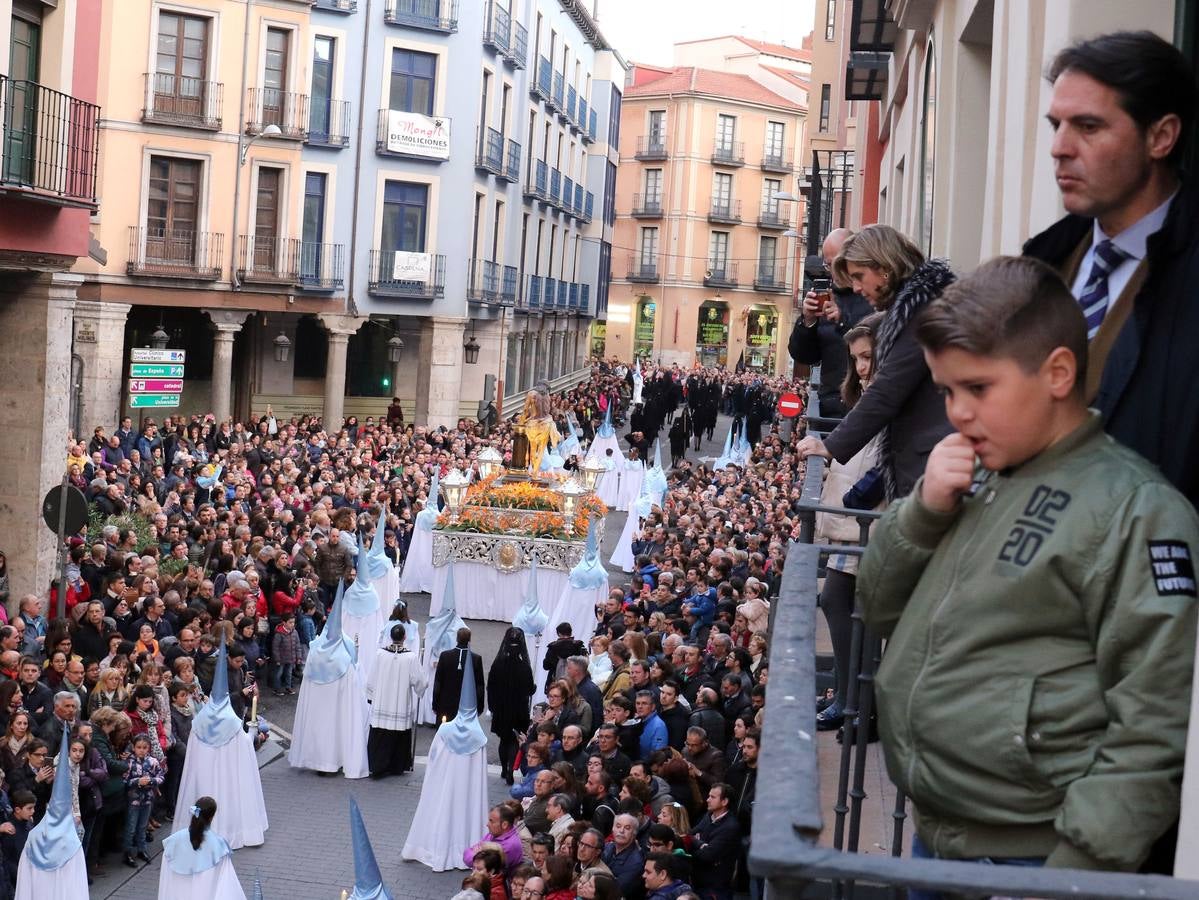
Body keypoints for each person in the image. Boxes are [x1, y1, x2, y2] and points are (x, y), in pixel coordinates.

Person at [858, 257, 1199, 882]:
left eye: (978, 388)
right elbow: (877, 609)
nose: (957, 413)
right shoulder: (973, 469)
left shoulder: (1137, 512)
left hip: (1029, 859)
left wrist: (1069, 875)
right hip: (940, 840)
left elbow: (1154, 727)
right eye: (946, 391)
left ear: (1058, 374)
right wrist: (921, 514)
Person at [1023, 30, 1199, 507]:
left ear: (1160, 137)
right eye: (1055, 125)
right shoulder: (1039, 265)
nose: (1060, 147)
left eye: (1088, 127)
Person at [797, 224, 955, 500]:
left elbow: (887, 389)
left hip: (933, 465)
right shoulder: (917, 307)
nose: (856, 288)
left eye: (859, 276)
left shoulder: (920, 312)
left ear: (884, 267)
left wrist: (831, 445)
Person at [813, 314, 884, 730]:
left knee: (846, 604)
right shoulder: (867, 397)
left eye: (868, 356)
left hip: (867, 520)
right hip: (853, 520)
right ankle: (848, 694)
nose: (860, 366)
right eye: (855, 358)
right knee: (844, 604)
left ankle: (854, 700)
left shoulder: (888, 399)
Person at [402, 643, 489, 872]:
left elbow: (433, 757)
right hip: (467, 789)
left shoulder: (446, 730)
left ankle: (438, 850)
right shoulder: (479, 736)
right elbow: (479, 773)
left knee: (441, 814)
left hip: (445, 782)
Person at [787, 228, 874, 417]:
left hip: (864, 402)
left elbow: (875, 340)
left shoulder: (873, 296)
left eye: (838, 263)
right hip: (832, 404)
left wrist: (843, 321)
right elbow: (804, 356)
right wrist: (807, 322)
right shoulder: (827, 297)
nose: (834, 272)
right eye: (828, 265)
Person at [364, 624, 427, 778]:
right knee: (398, 734)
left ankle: (377, 766)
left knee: (381, 734)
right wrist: (422, 687)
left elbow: (371, 678)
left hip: (382, 702)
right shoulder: (411, 657)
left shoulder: (380, 654)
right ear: (404, 637)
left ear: (391, 636)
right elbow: (419, 680)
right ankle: (396, 766)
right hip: (400, 704)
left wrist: (371, 696)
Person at [156, 796, 247, 899]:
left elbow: (166, 880)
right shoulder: (219, 846)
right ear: (211, 817)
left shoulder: (173, 841)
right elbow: (226, 885)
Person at [487, 627, 535, 785]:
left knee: (504, 740)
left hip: (502, 707)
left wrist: (493, 706)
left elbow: (491, 686)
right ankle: (510, 770)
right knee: (515, 740)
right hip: (519, 709)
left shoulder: (498, 664)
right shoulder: (524, 667)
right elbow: (530, 689)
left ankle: (503, 768)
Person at [686, 784, 741, 900]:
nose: (707, 799)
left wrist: (691, 850)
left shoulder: (730, 827)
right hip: (698, 881)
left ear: (724, 801)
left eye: (712, 797)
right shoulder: (708, 816)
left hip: (715, 888)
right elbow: (689, 835)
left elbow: (708, 855)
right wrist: (701, 844)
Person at [122, 734, 164, 867]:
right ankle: (127, 853)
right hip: (133, 800)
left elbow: (161, 776)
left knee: (142, 826)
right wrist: (137, 781)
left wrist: (151, 781)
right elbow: (124, 780)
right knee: (131, 827)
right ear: (133, 748)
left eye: (145, 747)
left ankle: (142, 849)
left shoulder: (153, 761)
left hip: (148, 799)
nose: (142, 750)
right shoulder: (129, 762)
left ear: (148, 748)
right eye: (139, 747)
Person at [433, 627, 485, 724]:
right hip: (467, 706)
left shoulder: (445, 656)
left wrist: (435, 704)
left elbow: (438, 682)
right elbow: (480, 686)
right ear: (469, 640)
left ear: (456, 639)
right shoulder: (476, 659)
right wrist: (480, 707)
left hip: (446, 704)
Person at [462, 804, 523, 876]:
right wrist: (478, 853)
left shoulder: (510, 845)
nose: (487, 824)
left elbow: (476, 863)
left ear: (504, 825)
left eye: (491, 821)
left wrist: (477, 851)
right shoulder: (495, 833)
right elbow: (466, 853)